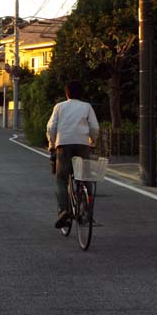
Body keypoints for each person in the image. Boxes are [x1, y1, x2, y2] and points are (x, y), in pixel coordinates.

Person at [46, 80, 99, 229]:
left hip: (63, 144)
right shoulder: (86, 106)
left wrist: (51, 144)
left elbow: (51, 127)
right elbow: (94, 127)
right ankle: (86, 211)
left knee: (61, 179)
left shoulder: (60, 107)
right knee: (85, 177)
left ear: (66, 93)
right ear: (81, 93)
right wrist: (92, 142)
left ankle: (63, 211)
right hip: (82, 144)